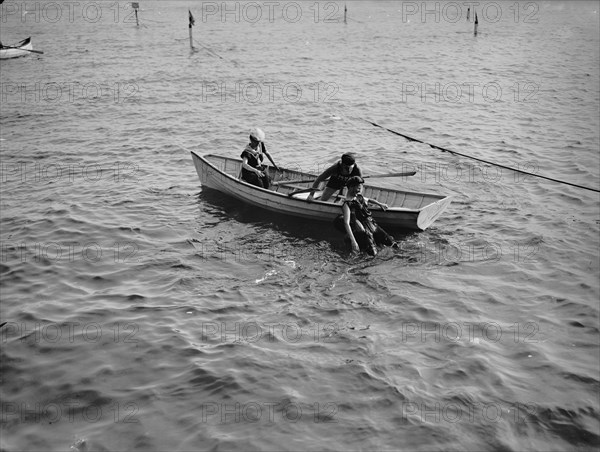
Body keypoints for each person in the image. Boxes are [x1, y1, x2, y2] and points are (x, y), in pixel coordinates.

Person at [334, 176, 397, 256]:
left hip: (373, 225)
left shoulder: (359, 197)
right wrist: (354, 241)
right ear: (351, 187)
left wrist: (380, 204)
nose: (360, 190)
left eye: (361, 188)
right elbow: (346, 223)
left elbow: (369, 200)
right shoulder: (347, 204)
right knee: (373, 254)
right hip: (365, 231)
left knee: (392, 244)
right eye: (358, 188)